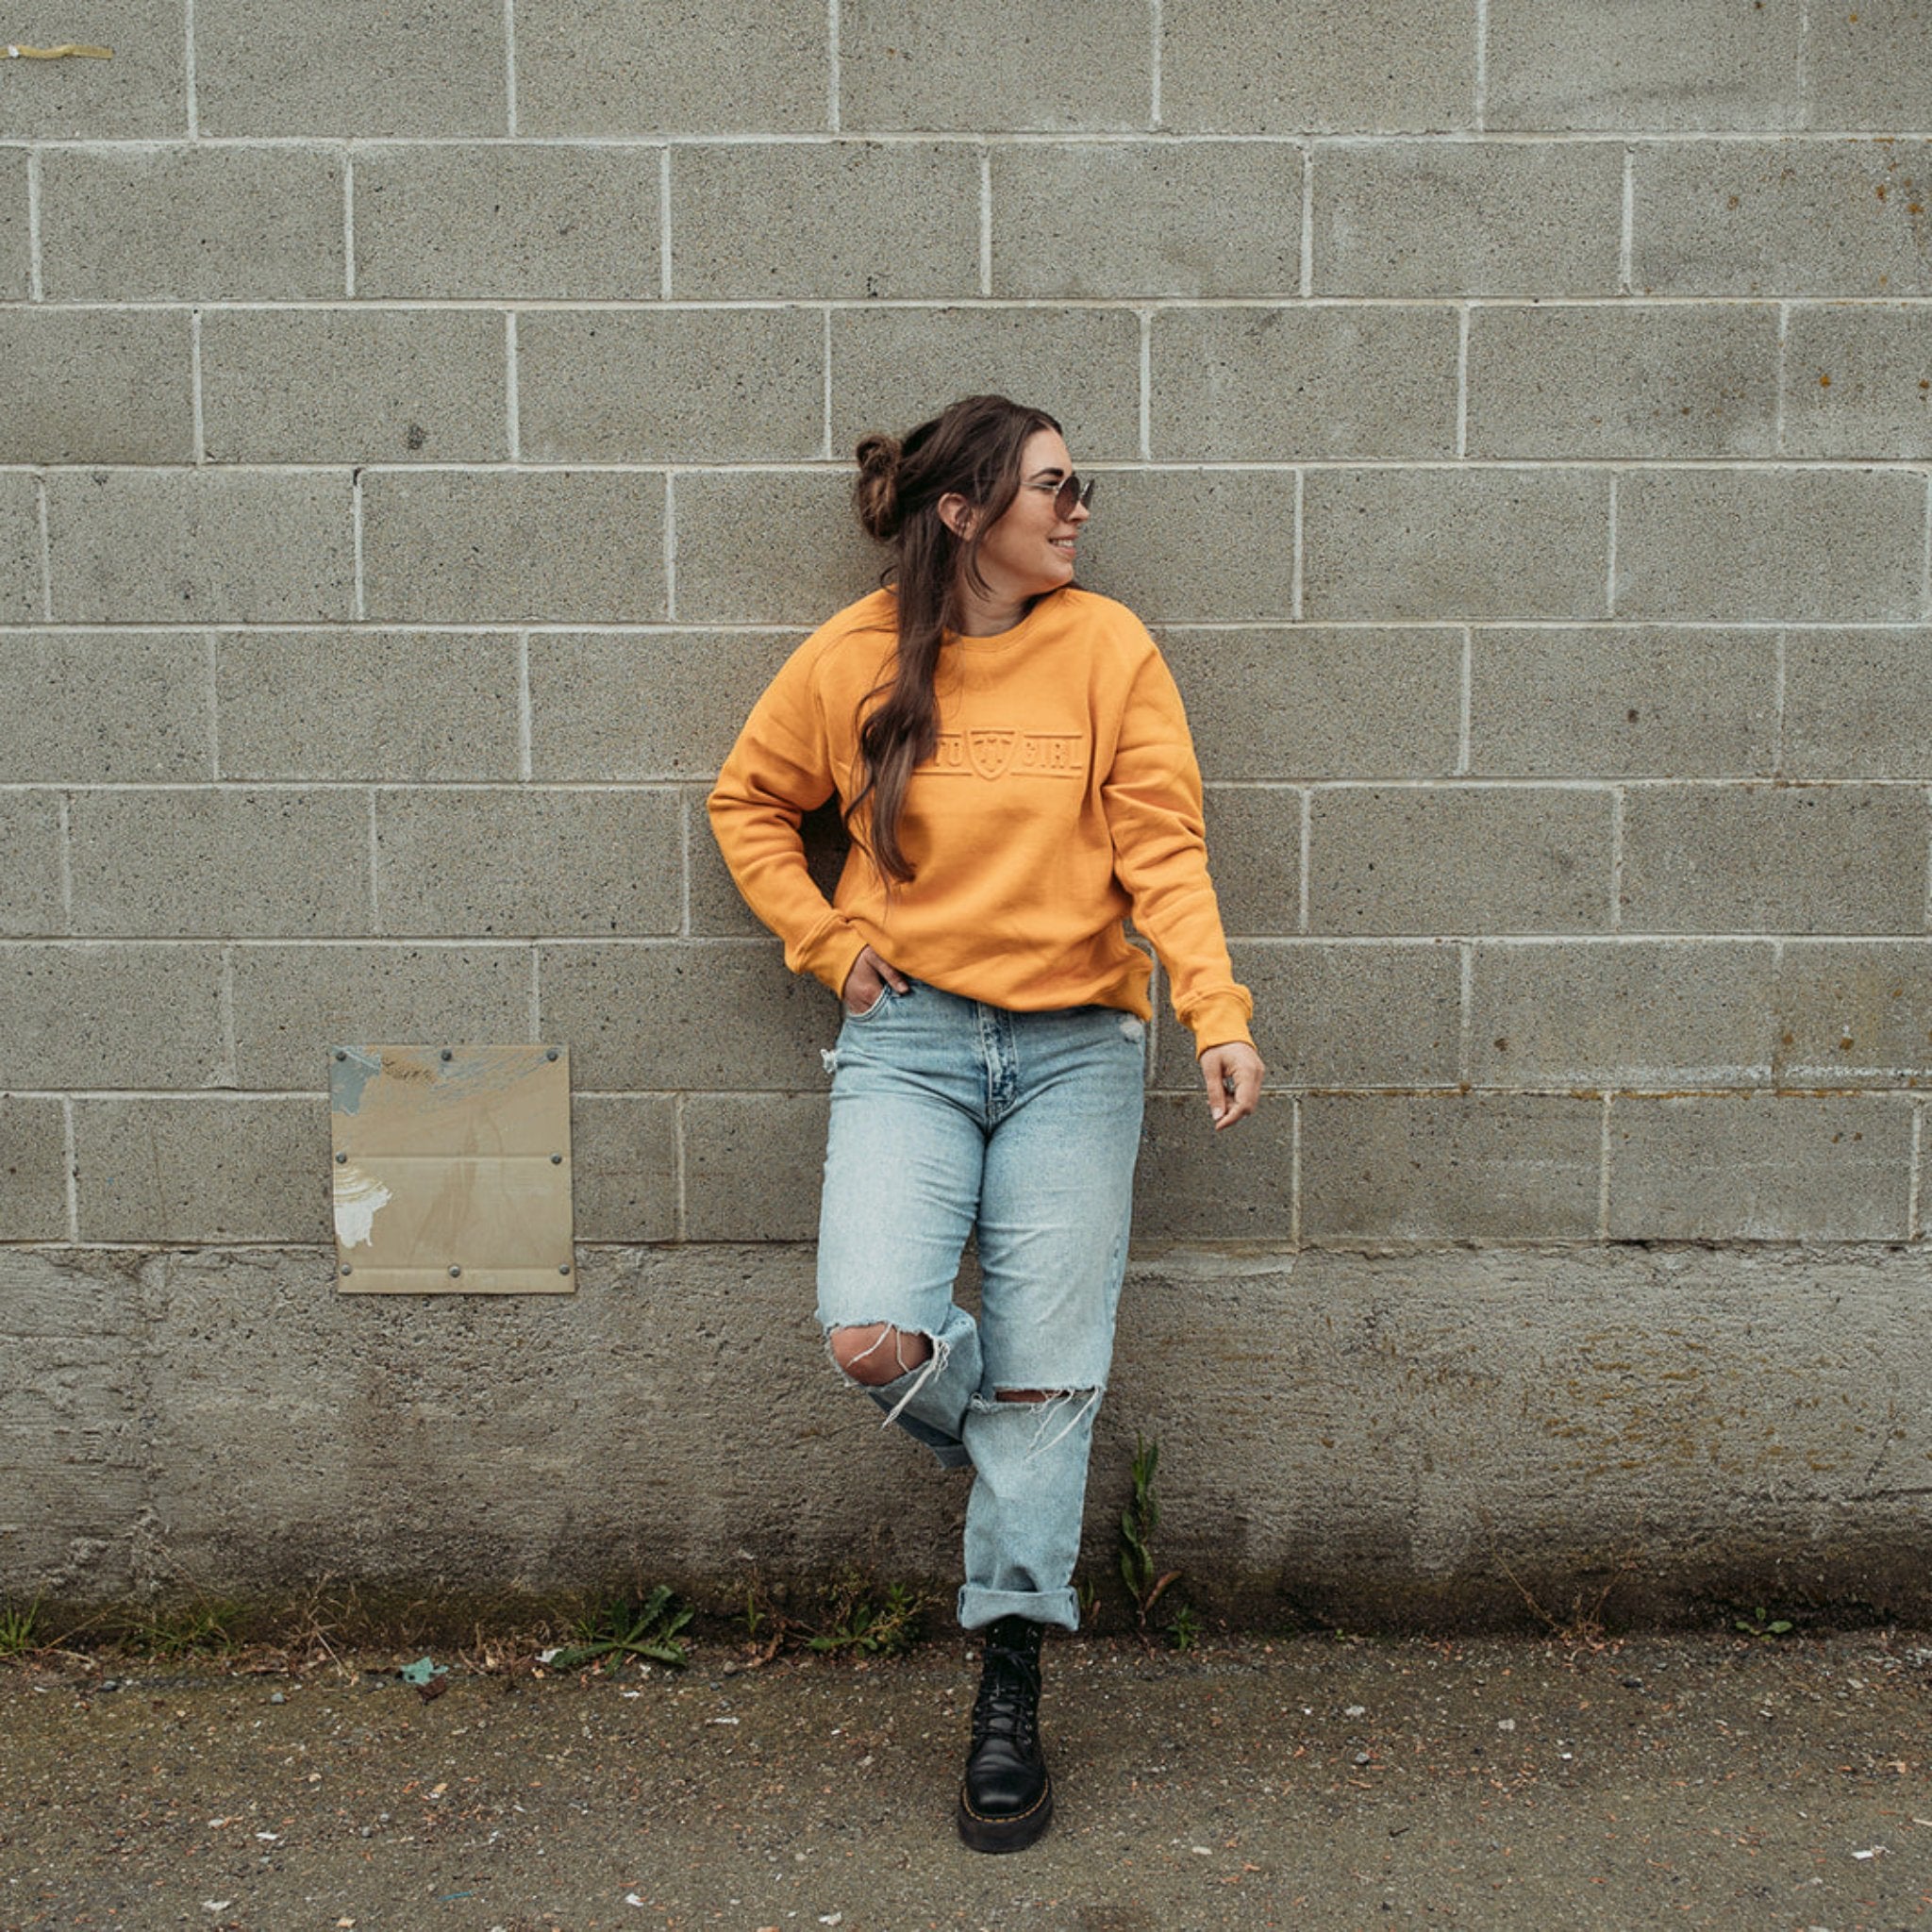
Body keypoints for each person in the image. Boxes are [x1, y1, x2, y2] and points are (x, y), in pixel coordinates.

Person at [708, 394, 1264, 1853]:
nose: (1081, 512)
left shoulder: (1110, 648)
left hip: (1082, 1049)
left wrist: (1217, 1012)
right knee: (874, 1333)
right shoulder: (850, 660)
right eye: (1057, 488)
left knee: (1045, 1375)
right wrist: (833, 945)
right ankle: (1029, 1452)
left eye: (1084, 488)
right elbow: (749, 804)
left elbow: (1164, 848)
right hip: (915, 1045)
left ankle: (1006, 1678)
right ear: (965, 515)